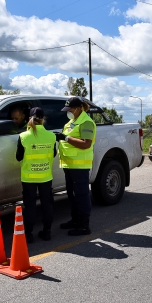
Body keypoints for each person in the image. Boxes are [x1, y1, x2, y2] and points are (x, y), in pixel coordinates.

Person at [54, 96, 96, 236]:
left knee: (82, 195)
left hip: (80, 166)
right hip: (69, 164)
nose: (68, 111)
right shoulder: (72, 121)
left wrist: (65, 138)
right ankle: (75, 220)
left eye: (70, 109)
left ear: (78, 109)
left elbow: (86, 144)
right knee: (72, 195)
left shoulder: (86, 122)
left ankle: (84, 226)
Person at [16, 107, 57, 243]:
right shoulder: (51, 136)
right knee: (47, 204)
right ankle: (47, 232)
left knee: (30, 206)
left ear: (29, 119)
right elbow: (54, 154)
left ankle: (28, 235)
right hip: (45, 176)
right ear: (43, 119)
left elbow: (18, 157)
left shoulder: (23, 136)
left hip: (28, 177)